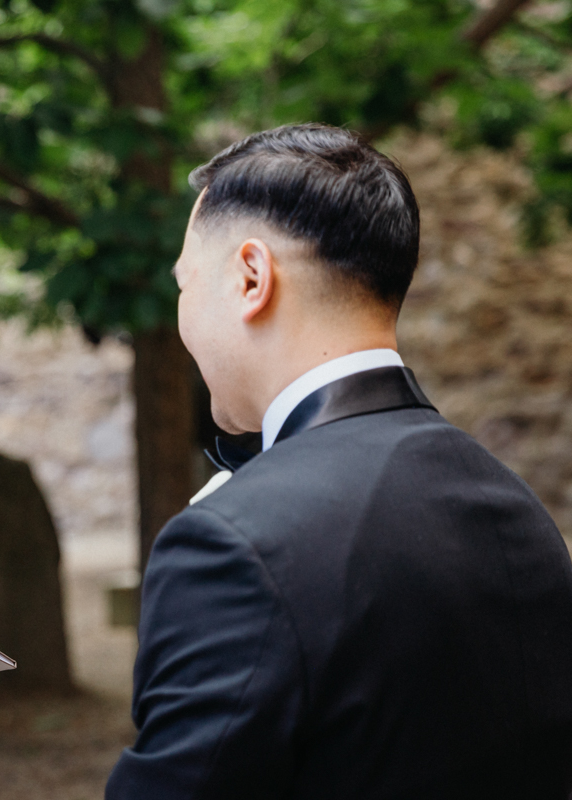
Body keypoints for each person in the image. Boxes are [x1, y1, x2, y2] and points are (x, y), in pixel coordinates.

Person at [107, 124, 572, 798]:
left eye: (185, 285)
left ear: (250, 278)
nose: (180, 319)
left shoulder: (232, 543)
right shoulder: (517, 511)